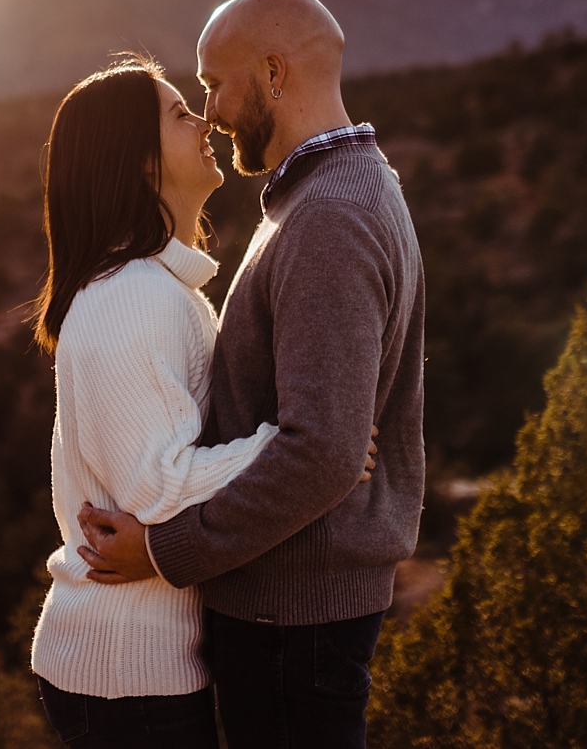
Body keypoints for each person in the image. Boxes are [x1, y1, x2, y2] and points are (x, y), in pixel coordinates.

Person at [77, 0, 427, 749]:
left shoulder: (329, 215)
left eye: (212, 82)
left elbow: (326, 452)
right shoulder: (333, 194)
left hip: (289, 618)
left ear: (273, 73)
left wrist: (165, 552)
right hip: (294, 611)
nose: (207, 112)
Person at [27, 55, 377, 748]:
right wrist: (292, 449)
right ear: (139, 162)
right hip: (130, 668)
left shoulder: (161, 290)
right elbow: (156, 492)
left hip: (139, 658)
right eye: (181, 114)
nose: (206, 119)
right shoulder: (132, 297)